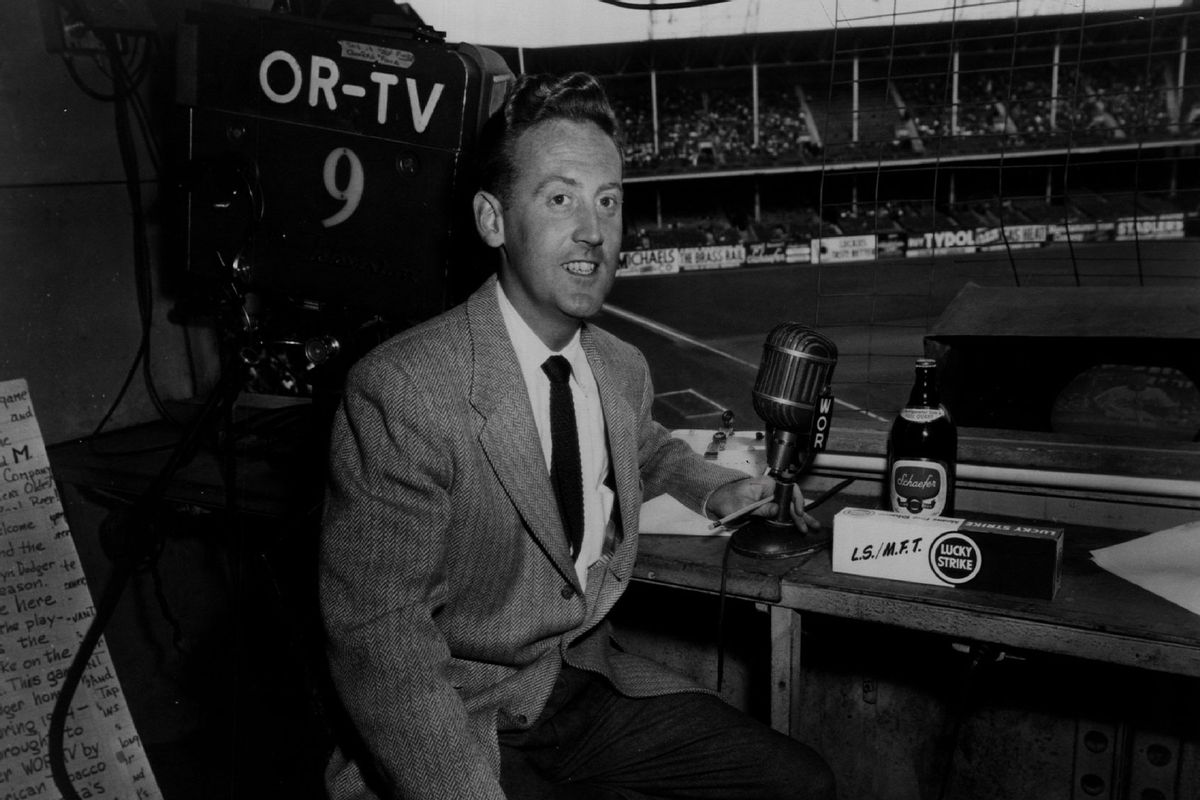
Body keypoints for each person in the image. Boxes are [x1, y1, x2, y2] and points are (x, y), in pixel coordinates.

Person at [319, 71, 836, 800]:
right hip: (462, 720)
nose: (593, 231)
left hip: (579, 684)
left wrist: (719, 488)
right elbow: (383, 649)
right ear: (494, 221)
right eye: (560, 198)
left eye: (609, 202)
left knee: (799, 784)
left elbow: (642, 445)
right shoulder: (403, 390)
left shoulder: (619, 367)